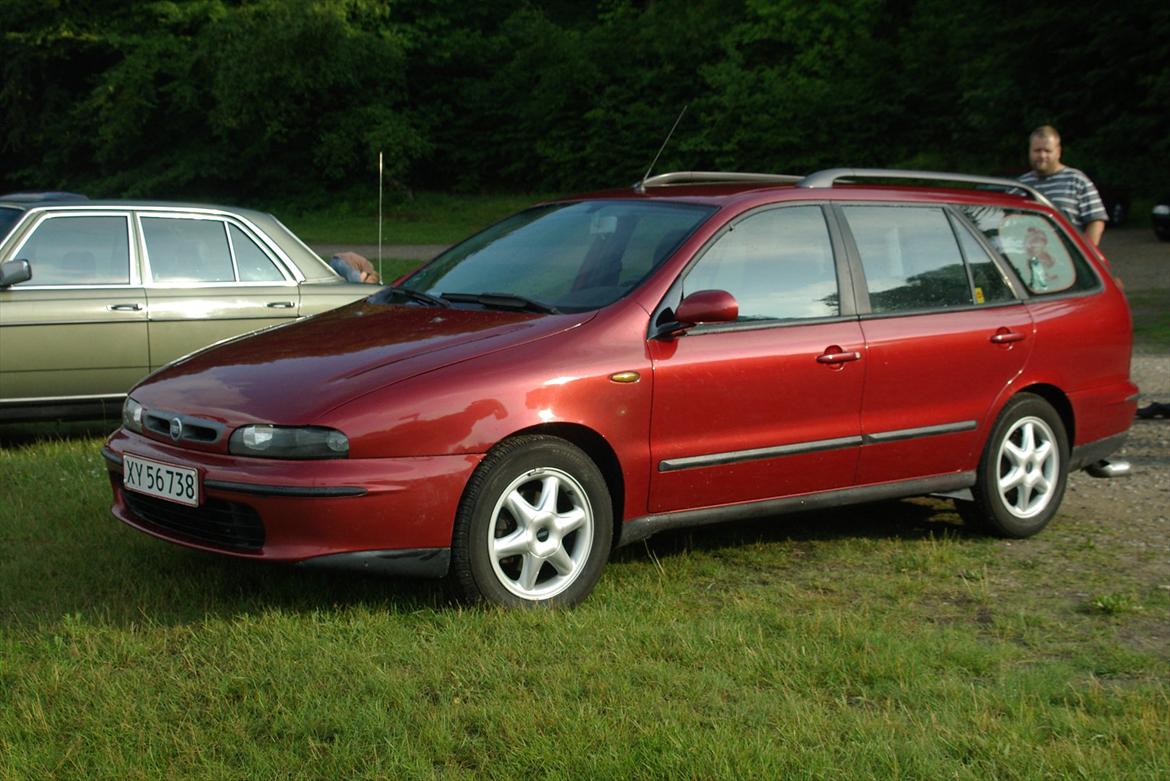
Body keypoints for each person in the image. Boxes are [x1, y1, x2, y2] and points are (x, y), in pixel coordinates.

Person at [1018, 125, 1108, 246]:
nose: (1042, 156)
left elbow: (1096, 220)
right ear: (1030, 151)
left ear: (1058, 152)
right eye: (1037, 150)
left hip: (1067, 260)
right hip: (1026, 258)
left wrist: (1086, 253)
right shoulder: (1020, 185)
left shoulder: (1076, 180)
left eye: (1047, 151)